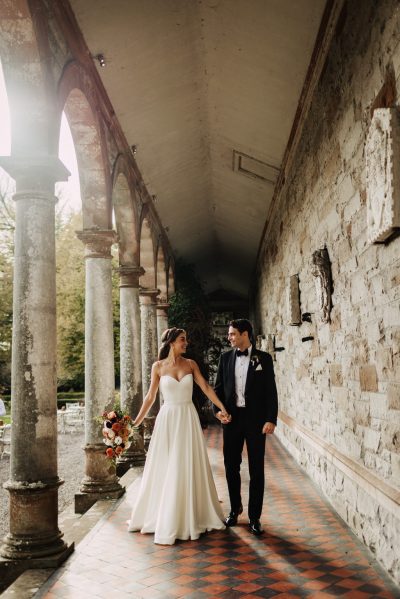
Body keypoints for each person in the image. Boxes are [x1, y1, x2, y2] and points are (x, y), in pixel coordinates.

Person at [127, 327, 230, 545]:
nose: (186, 342)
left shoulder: (191, 364)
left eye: (186, 339)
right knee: (166, 463)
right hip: (168, 419)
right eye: (183, 339)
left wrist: (221, 406)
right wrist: (134, 422)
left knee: (186, 462)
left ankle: (192, 514)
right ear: (172, 342)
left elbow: (205, 387)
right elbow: (150, 397)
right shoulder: (158, 367)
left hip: (187, 417)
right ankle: (165, 514)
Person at [214, 318, 278, 536]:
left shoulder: (264, 359)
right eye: (230, 334)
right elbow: (218, 391)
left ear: (245, 334)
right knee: (231, 466)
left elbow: (271, 391)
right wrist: (218, 411)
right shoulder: (225, 358)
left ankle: (254, 517)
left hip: (256, 421)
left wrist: (271, 419)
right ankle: (234, 509)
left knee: (256, 470)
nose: (229, 337)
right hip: (231, 421)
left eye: (232, 334)